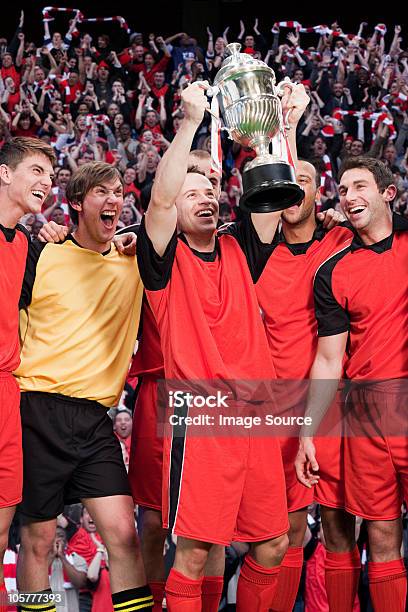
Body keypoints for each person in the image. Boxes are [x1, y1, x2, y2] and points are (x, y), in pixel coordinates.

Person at [135, 80, 308, 611]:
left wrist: (280, 129)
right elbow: (161, 199)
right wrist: (189, 122)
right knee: (193, 553)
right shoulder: (162, 259)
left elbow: (277, 197)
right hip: (201, 414)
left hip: (253, 412)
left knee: (274, 542)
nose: (206, 196)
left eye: (211, 190)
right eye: (193, 193)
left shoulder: (239, 247)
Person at [14, 161, 153, 612]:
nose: (113, 200)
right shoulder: (42, 253)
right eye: (101, 193)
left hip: (96, 420)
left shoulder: (134, 259)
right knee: (38, 540)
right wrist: (43, 234)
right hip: (38, 411)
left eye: (118, 193)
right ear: (76, 203)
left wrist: (133, 236)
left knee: (124, 538)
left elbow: (169, 215)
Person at [296, 156, 408, 611]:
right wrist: (307, 431)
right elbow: (328, 359)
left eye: (360, 185)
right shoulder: (333, 271)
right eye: (342, 190)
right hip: (366, 411)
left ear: (388, 193)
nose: (348, 196)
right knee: (382, 535)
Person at [255, 159, 359, 611]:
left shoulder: (342, 239)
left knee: (339, 526)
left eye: (305, 183)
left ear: (320, 193)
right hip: (277, 409)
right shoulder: (254, 250)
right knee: (287, 532)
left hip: (337, 403)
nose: (295, 193)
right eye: (288, 185)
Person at [0, 137, 56, 606]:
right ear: (5, 173)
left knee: (2, 531)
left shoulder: (23, 244)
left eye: (50, 176)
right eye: (36, 171)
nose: (46, 182)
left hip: (9, 393)